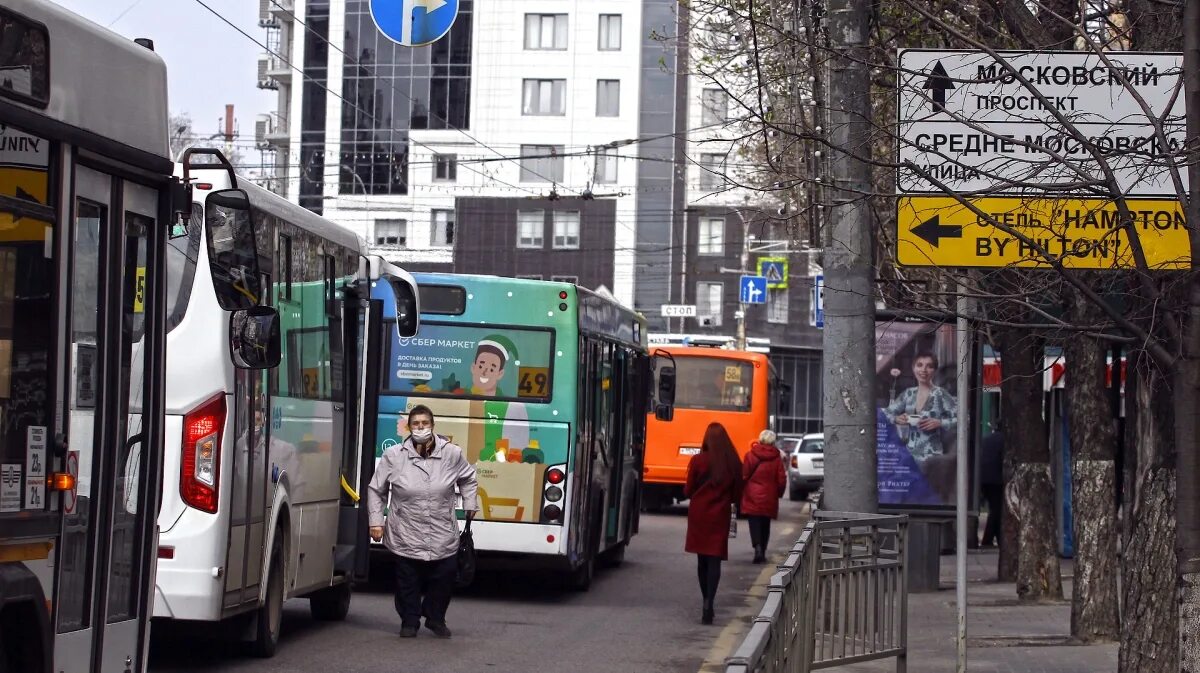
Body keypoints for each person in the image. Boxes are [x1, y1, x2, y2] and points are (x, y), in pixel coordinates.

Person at [368, 405, 478, 638]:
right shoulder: (394, 456)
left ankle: (435, 617)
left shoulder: (452, 453)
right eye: (416, 424)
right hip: (405, 528)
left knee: (445, 574)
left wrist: (470, 504)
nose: (420, 428)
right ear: (409, 427)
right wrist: (376, 522)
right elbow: (376, 490)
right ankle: (410, 620)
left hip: (441, 528)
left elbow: (468, 478)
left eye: (424, 423)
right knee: (407, 578)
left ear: (432, 426)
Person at [684, 422, 744, 625]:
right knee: (715, 560)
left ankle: (705, 601)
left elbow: (688, 490)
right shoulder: (732, 462)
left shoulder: (698, 461)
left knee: (702, 561)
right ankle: (711, 600)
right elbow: (737, 494)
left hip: (699, 515)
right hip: (720, 516)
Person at [883, 352, 958, 465]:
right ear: (913, 369)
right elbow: (885, 413)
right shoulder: (908, 394)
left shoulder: (940, 394)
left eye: (929, 366)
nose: (924, 370)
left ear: (935, 370)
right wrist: (897, 419)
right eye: (919, 365)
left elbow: (964, 419)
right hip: (909, 457)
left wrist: (940, 423)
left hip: (933, 458)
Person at [740, 429, 787, 564]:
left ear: (760, 440)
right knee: (765, 525)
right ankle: (763, 550)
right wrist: (778, 493)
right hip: (769, 496)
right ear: (773, 442)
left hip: (752, 495)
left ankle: (757, 547)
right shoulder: (777, 458)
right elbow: (781, 479)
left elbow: (744, 474)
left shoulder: (750, 455)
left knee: (754, 523)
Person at [979, 419, 1005, 547]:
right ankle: (987, 540)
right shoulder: (1005, 440)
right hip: (997, 480)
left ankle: (995, 539)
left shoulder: (988, 439)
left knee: (995, 509)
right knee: (997, 510)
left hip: (984, 479)